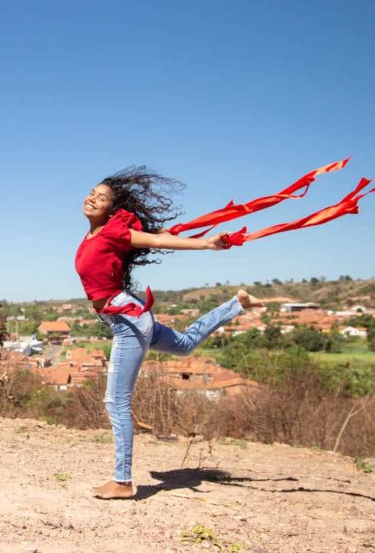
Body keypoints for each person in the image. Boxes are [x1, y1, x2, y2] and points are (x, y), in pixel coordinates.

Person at [74, 166, 263, 500]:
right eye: (92, 192)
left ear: (111, 209)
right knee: (186, 345)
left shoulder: (114, 233)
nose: (92, 198)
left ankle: (122, 481)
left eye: (101, 197)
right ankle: (237, 303)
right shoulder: (95, 234)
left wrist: (207, 244)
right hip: (132, 317)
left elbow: (159, 239)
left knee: (115, 401)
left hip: (129, 322)